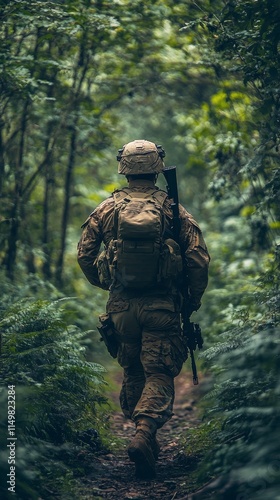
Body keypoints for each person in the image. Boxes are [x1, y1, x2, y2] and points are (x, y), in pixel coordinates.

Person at [77, 139, 210, 479]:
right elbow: (196, 259)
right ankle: (144, 431)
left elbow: (84, 255)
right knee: (160, 372)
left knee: (134, 370)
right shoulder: (173, 209)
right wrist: (191, 301)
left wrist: (109, 283)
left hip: (121, 307)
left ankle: (142, 435)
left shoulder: (107, 208)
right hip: (162, 306)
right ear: (156, 167)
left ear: (124, 166)